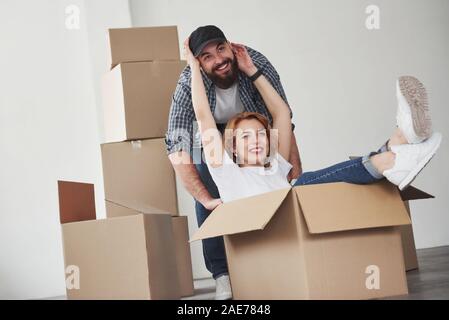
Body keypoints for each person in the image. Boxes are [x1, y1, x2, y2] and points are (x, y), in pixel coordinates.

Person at [184, 38, 442, 297]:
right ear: (233, 148)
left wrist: (252, 70)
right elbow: (203, 115)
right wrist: (194, 68)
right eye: (246, 138)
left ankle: (398, 141)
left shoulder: (274, 164)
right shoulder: (227, 172)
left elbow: (282, 113)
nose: (256, 142)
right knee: (301, 184)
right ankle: (391, 157)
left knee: (301, 186)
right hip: (267, 240)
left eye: (261, 135)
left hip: (298, 233)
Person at [165, 25, 301, 300]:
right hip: (218, 135)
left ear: (229, 45)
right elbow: (185, 136)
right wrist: (205, 200)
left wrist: (294, 174)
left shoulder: (254, 63)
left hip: (254, 122)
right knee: (207, 177)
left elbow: (283, 116)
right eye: (206, 56)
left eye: (220, 49)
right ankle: (222, 273)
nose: (218, 59)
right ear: (199, 63)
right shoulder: (188, 83)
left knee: (301, 181)